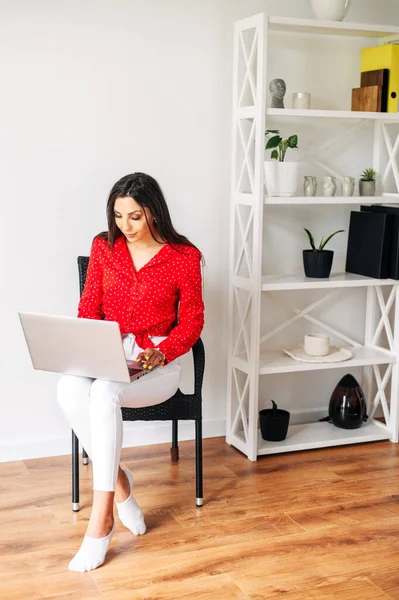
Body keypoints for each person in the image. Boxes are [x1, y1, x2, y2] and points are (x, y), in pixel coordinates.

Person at [57, 172, 204, 572]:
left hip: (158, 361)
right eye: (119, 216)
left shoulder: (184, 256)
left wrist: (162, 351)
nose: (126, 226)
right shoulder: (104, 248)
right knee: (68, 389)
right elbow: (89, 308)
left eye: (135, 217)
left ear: (154, 212)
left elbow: (191, 322)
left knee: (104, 393)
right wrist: (86, 346)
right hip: (108, 350)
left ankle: (101, 521)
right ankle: (121, 485)